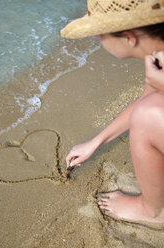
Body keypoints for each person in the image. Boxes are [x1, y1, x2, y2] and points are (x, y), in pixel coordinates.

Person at [61, 0, 164, 228]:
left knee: (147, 115)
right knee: (147, 109)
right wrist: (95, 142)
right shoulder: (156, 56)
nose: (97, 40)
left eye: (99, 35)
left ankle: (155, 212)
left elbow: (147, 112)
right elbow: (147, 100)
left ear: (129, 37)